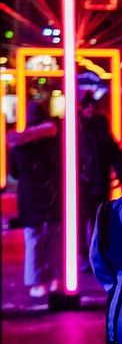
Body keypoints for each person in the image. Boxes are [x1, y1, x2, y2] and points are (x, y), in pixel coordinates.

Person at [8, 100, 62, 300]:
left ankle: (36, 282)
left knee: (33, 239)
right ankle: (56, 278)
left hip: (29, 196)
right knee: (55, 239)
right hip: (51, 193)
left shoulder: (18, 145)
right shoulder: (52, 141)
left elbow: (14, 173)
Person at [78, 92, 122, 275]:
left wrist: (119, 171)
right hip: (86, 182)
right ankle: (89, 255)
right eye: (88, 106)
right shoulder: (81, 128)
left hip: (94, 181)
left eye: (92, 107)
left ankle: (94, 255)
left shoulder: (93, 128)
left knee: (96, 219)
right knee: (87, 220)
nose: (90, 110)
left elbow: (112, 151)